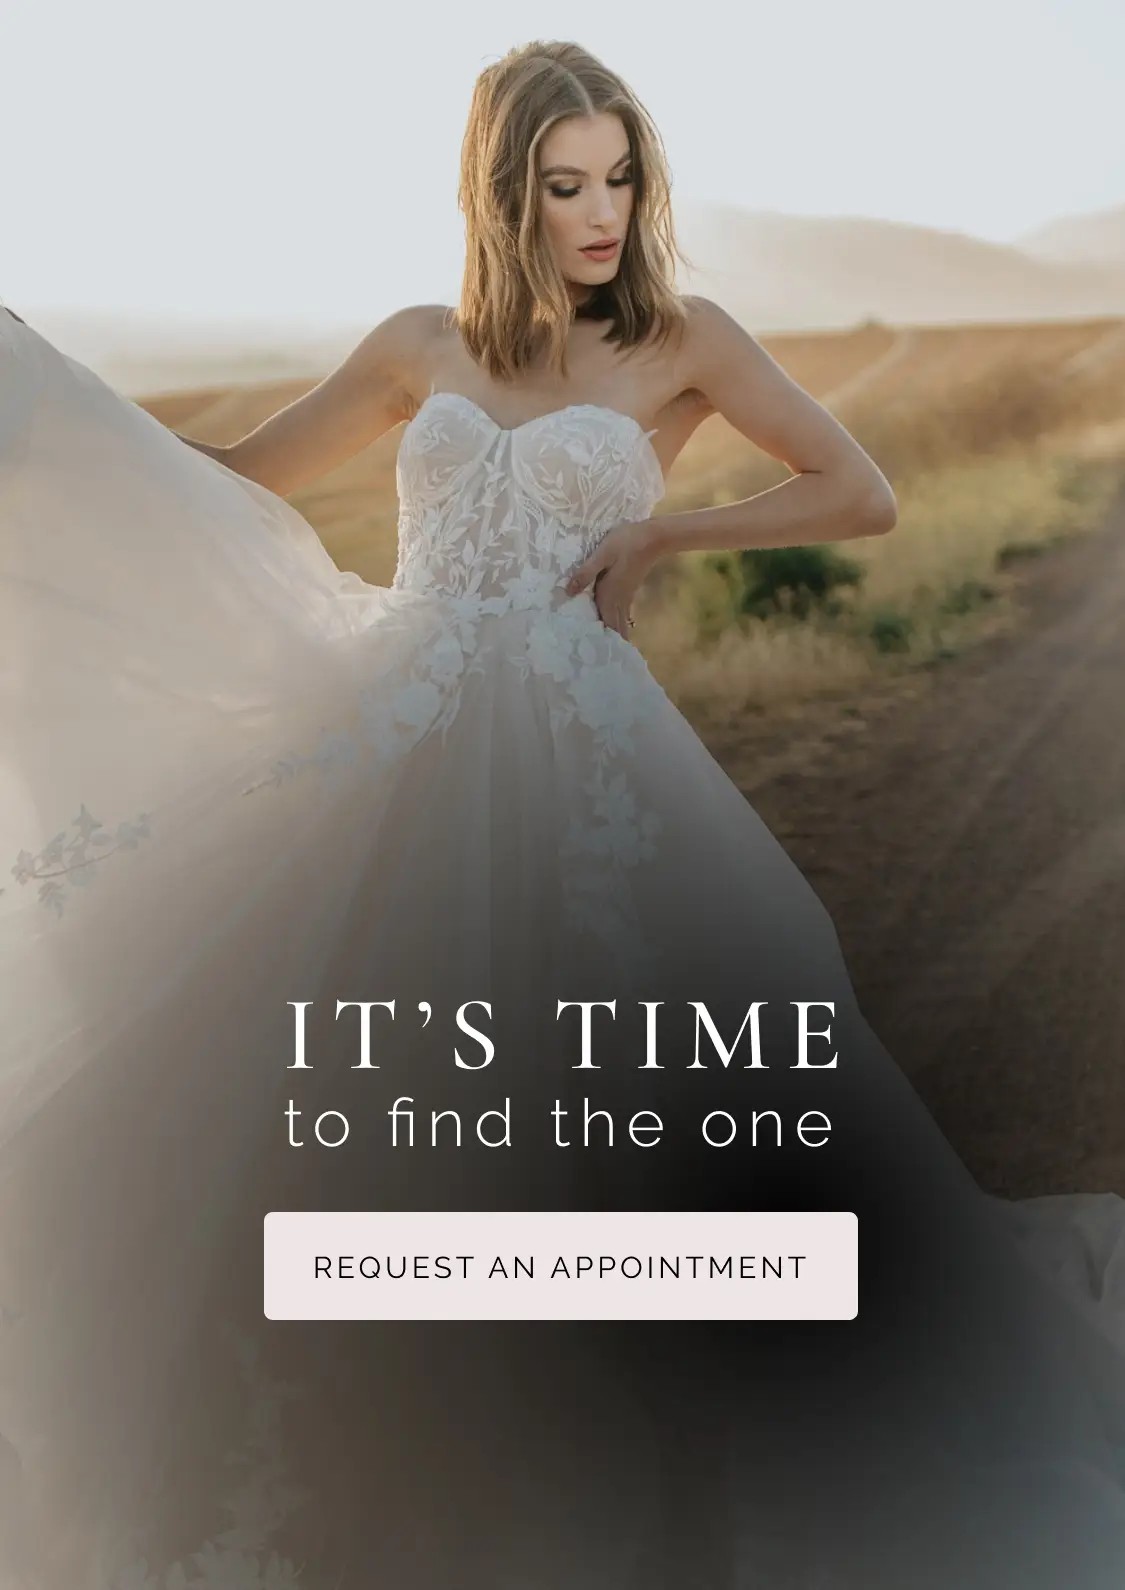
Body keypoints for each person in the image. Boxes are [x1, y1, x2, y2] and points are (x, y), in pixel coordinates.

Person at [1, 37, 1124, 1590]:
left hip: (587, 774)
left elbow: (857, 487)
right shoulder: (416, 345)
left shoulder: (680, 343)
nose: (601, 215)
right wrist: (58, 434)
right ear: (500, 188)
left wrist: (665, 528)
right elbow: (239, 484)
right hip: (387, 758)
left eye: (620, 178)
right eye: (563, 185)